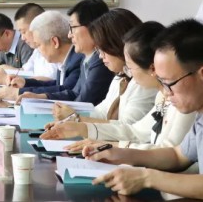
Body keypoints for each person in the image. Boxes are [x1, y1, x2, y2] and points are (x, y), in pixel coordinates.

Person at [88, 19, 203, 201]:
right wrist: (122, 154)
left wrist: (146, 178)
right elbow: (178, 155)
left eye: (169, 83)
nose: (166, 92)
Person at [62, 21, 195, 153]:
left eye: (129, 67)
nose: (128, 73)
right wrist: (84, 128)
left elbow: (169, 152)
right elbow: (136, 131)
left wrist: (110, 145)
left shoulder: (184, 100)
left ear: (152, 68)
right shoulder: (161, 96)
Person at [40, 9, 157, 139]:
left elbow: (128, 128)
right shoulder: (120, 77)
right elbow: (101, 112)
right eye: (98, 50)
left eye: (103, 49)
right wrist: (69, 123)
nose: (100, 56)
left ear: (118, 45)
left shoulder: (144, 82)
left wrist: (76, 120)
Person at [11, 0, 113, 105]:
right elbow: (74, 93)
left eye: (73, 27)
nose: (69, 35)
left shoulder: (100, 60)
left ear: (93, 27)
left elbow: (84, 102)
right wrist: (40, 97)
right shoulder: (86, 58)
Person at [0, 11, 83, 101]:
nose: (38, 51)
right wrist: (25, 83)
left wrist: (18, 92)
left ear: (55, 42)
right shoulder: (65, 60)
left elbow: (66, 90)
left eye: (38, 45)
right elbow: (57, 85)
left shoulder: (77, 62)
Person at [0, 3, 59, 84]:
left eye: (24, 32)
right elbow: (25, 72)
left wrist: (6, 79)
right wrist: (4, 69)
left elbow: (51, 81)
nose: (22, 38)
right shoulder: (37, 51)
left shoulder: (54, 48)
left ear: (37, 26)